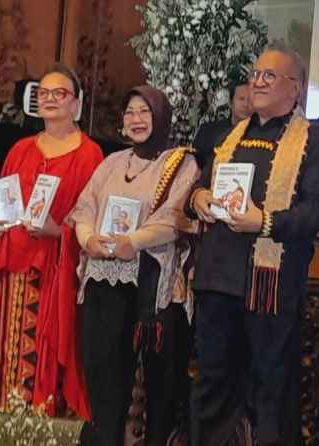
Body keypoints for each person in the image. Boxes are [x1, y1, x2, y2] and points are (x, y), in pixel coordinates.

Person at [187, 44, 319, 446]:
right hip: (219, 277)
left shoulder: (313, 141)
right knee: (212, 382)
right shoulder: (230, 136)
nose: (258, 82)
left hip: (270, 285)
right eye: (255, 74)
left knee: (271, 387)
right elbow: (203, 184)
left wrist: (266, 222)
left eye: (269, 76)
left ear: (296, 88)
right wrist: (199, 197)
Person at [0, 63, 103, 417]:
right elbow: (3, 207)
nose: (50, 99)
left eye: (60, 94)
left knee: (44, 360)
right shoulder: (20, 150)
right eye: (43, 93)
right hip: (10, 270)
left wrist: (59, 231)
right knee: (0, 360)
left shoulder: (90, 155)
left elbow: (92, 219)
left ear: (76, 104)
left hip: (56, 275)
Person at [72, 85, 199, 445]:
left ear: (160, 116)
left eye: (144, 111)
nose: (136, 119)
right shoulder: (112, 162)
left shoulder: (181, 163)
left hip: (151, 287)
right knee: (103, 373)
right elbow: (85, 208)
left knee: (159, 384)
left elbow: (175, 218)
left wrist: (133, 243)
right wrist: (88, 239)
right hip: (103, 278)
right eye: (130, 112)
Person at [193, 79, 252, 168]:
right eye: (241, 99)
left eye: (251, 101)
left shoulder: (259, 136)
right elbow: (195, 163)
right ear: (231, 103)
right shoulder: (208, 131)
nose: (246, 104)